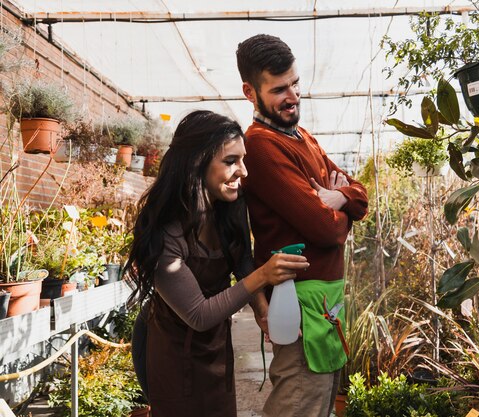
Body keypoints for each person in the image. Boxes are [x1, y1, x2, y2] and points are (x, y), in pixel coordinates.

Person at [125, 110, 309, 417]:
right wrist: (265, 275)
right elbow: (199, 314)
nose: (243, 171)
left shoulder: (229, 208)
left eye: (243, 159)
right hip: (172, 353)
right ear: (197, 162)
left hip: (215, 349)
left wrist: (263, 313)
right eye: (231, 161)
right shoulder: (162, 233)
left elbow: (242, 260)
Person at [236, 35, 369, 417]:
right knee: (299, 403)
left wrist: (341, 198)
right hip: (298, 302)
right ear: (250, 92)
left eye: (295, 83)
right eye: (279, 89)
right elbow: (325, 230)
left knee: (320, 403)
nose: (292, 95)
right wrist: (340, 213)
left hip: (325, 300)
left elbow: (359, 192)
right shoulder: (261, 146)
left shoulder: (302, 137)